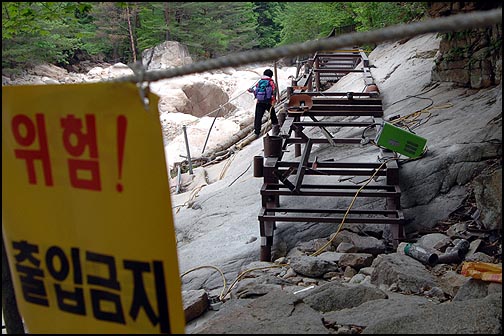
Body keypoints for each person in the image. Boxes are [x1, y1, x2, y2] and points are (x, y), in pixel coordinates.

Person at [248, 69, 279, 137]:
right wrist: (274, 100)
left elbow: (255, 90)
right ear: (271, 75)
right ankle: (276, 126)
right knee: (272, 114)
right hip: (268, 102)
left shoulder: (260, 81)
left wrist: (251, 90)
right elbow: (274, 91)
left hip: (260, 101)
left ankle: (257, 132)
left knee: (258, 117)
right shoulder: (271, 82)